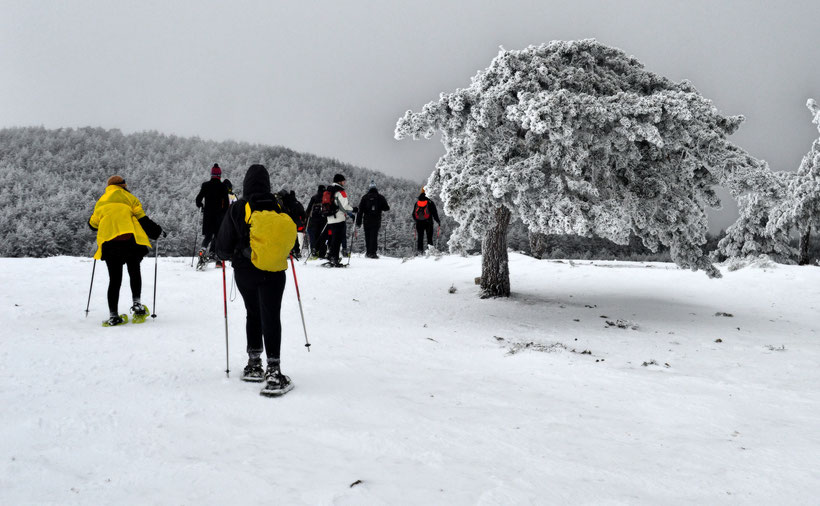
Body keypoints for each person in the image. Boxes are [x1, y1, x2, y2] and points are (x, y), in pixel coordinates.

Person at [216, 164, 297, 395]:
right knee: (271, 315)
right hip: (273, 271)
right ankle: (274, 371)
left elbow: (222, 247)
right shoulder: (279, 206)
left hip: (245, 271)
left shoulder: (239, 207)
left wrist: (231, 255)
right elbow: (291, 241)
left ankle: (254, 365)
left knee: (253, 312)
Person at [88, 175, 163, 326]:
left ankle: (113, 315)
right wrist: (157, 232)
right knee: (134, 271)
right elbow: (143, 219)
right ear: (123, 185)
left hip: (110, 245)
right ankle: (137, 304)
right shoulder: (130, 198)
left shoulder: (101, 201)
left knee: (114, 280)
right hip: (131, 244)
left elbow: (93, 224)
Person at [195, 163, 230, 264]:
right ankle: (218, 260)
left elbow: (198, 199)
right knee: (218, 237)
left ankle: (202, 251)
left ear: (211, 174)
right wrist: (224, 213)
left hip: (208, 216)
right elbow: (227, 203)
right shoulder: (223, 187)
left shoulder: (205, 185)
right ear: (219, 175)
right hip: (219, 216)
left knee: (208, 237)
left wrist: (201, 206)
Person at [325, 173, 355, 267]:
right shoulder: (340, 191)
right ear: (339, 181)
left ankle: (331, 256)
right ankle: (335, 258)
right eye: (343, 181)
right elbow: (344, 206)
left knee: (333, 238)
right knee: (337, 239)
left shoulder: (329, 190)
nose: (344, 182)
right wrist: (353, 209)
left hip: (330, 218)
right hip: (338, 218)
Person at [356, 180, 390, 258]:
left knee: (367, 236)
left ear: (369, 188)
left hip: (366, 220)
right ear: (375, 188)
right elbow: (386, 208)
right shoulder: (380, 197)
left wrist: (358, 222)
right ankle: (373, 253)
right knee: (374, 236)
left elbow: (360, 210)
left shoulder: (364, 197)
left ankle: (368, 252)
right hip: (376, 220)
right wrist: (380, 207)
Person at [412, 187, 440, 254]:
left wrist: (416, 220)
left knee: (420, 238)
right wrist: (438, 221)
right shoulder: (430, 202)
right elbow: (434, 213)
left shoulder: (417, 203)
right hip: (428, 222)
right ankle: (430, 252)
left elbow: (413, 214)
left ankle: (419, 252)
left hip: (419, 223)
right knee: (429, 238)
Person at [304, 185, 327, 258]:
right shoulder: (326, 198)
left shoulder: (314, 197)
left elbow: (308, 209)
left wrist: (306, 218)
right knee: (323, 235)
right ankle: (322, 253)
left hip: (313, 219)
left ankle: (314, 250)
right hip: (323, 219)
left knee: (314, 235)